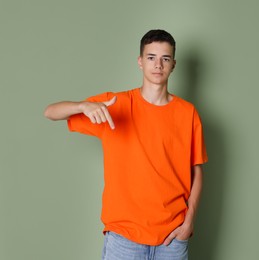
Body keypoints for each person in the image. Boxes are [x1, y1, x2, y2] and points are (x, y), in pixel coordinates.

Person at [44, 29, 208, 260]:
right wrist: (82, 106)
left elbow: (196, 170)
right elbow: (50, 112)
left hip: (173, 237)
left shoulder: (187, 113)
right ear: (140, 62)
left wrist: (189, 222)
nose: (158, 65)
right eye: (151, 57)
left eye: (165, 58)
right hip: (124, 238)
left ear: (173, 65)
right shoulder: (115, 104)